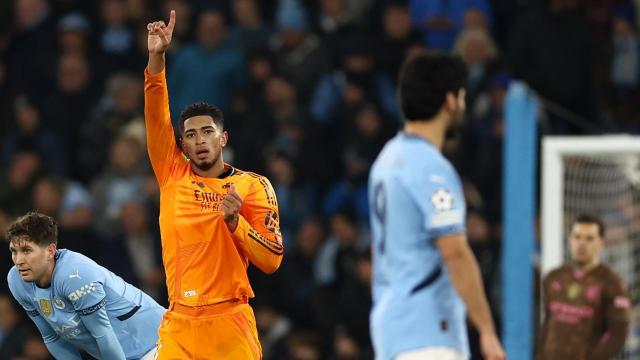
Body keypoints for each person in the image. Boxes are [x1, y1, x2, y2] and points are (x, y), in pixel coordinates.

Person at [145, 10, 284, 359]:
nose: (199, 140)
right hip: (178, 322)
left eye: (207, 131)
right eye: (190, 135)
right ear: (182, 145)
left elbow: (272, 261)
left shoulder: (253, 186)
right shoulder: (172, 174)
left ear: (223, 138)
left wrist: (237, 224)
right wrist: (157, 57)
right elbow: (156, 114)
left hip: (229, 322)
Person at [368, 52, 504, 360]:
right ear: (450, 100)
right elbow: (454, 252)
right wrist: (487, 329)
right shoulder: (430, 167)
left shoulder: (386, 159)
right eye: (463, 96)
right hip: (428, 328)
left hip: (390, 326)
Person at [6, 212, 165, 360]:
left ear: (50, 251)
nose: (19, 260)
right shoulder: (17, 281)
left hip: (158, 341)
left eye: (27, 250)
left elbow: (102, 334)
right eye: (14, 251)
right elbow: (51, 336)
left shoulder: (74, 275)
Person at [537, 214, 630, 360]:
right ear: (569, 240)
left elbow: (617, 335)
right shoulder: (553, 277)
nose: (581, 244)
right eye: (577, 237)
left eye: (589, 239)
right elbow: (548, 325)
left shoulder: (612, 283)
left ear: (601, 242)